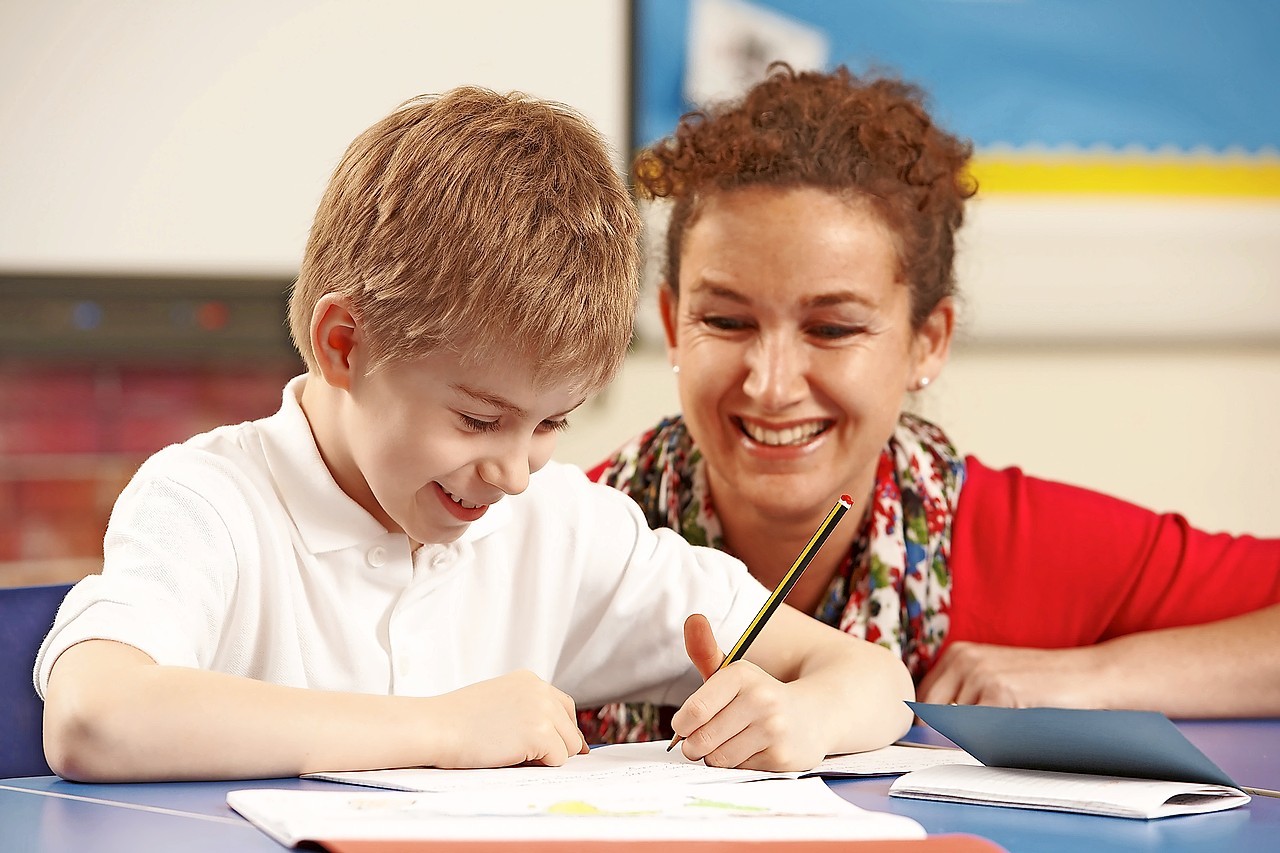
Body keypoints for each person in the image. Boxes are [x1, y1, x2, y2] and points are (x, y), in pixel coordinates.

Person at [35, 86, 914, 783]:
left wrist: (803, 718)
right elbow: (91, 715)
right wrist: (443, 729)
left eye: (551, 424)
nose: (516, 471)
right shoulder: (211, 501)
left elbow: (876, 682)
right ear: (346, 345)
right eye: (478, 417)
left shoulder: (560, 530)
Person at [580, 64, 1280, 744]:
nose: (771, 382)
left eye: (833, 328)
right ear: (673, 324)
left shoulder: (1011, 543)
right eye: (727, 322)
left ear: (928, 342)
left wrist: (1096, 675)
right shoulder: (567, 536)